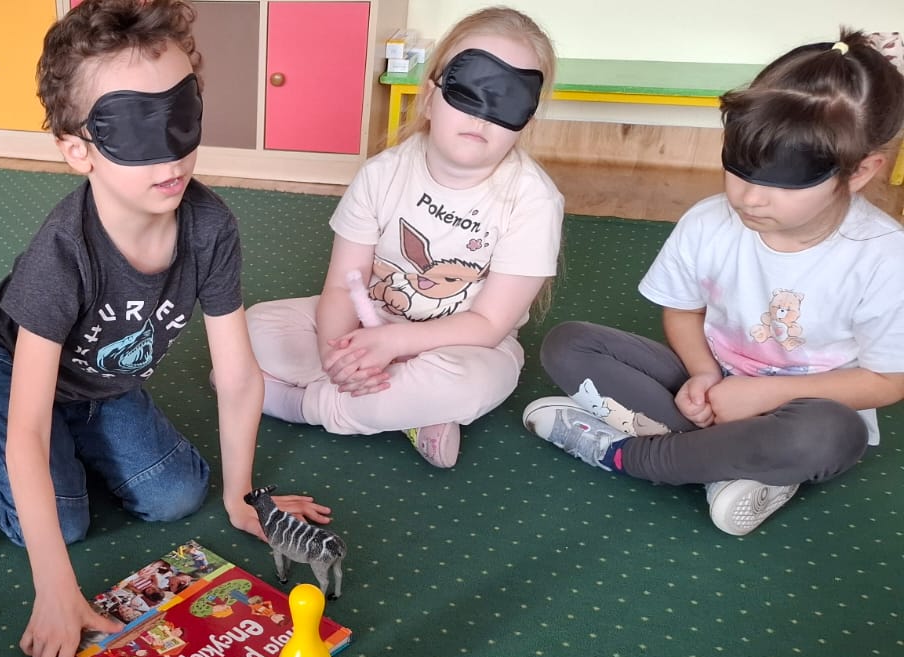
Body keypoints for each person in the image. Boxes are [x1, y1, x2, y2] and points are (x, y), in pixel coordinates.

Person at [0, 0, 328, 657]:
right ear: (77, 150)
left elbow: (238, 373)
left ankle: (75, 433)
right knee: (59, 521)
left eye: (180, 117)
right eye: (134, 129)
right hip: (6, 362)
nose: (170, 153)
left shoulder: (210, 227)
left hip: (101, 381)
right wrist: (55, 588)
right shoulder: (62, 255)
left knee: (179, 494)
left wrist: (242, 495)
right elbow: (27, 429)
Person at [522, 31, 904, 535]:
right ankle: (731, 466)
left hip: (801, 408)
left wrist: (760, 398)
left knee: (832, 436)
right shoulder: (709, 221)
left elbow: (888, 380)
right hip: (709, 383)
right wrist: (704, 374)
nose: (750, 198)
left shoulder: (884, 257)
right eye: (739, 169)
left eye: (784, 182)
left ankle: (627, 454)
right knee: (568, 344)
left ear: (858, 173)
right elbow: (683, 310)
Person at [243, 6, 564, 469]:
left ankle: (296, 403)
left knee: (471, 382)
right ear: (430, 97)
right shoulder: (382, 174)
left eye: (508, 101)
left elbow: (490, 323)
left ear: (526, 121)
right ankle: (408, 411)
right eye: (467, 89)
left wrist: (394, 346)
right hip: (368, 318)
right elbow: (342, 285)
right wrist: (338, 354)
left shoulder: (534, 201)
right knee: (255, 327)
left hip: (462, 343)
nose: (482, 116)